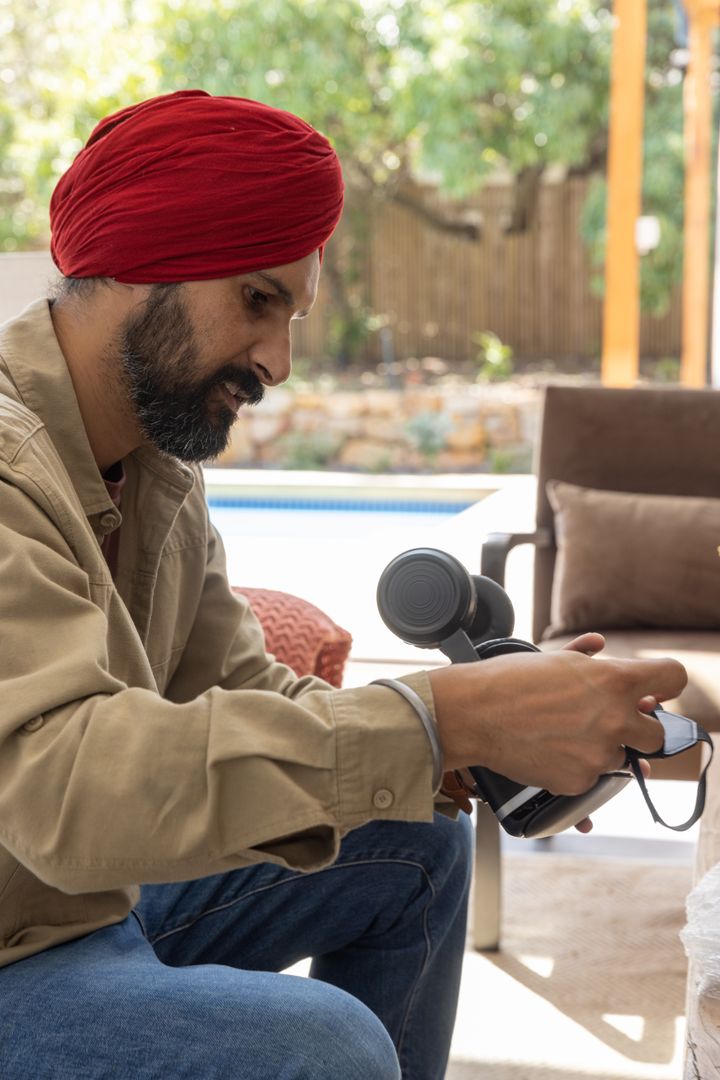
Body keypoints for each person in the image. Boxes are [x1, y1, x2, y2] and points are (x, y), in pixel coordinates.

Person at [0, 90, 685, 1080]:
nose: (279, 359)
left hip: (80, 905)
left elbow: (239, 690)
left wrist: (485, 736)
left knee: (412, 837)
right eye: (258, 300)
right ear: (151, 259)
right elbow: (63, 789)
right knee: (327, 1045)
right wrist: (438, 718)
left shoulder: (158, 471)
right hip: (21, 940)